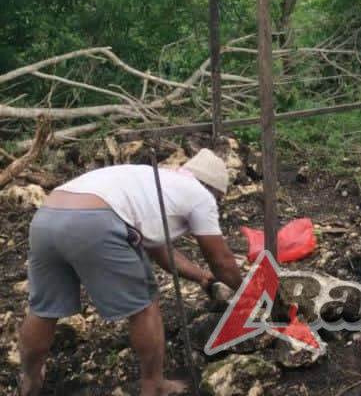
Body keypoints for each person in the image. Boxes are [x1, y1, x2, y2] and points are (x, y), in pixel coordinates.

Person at [18, 148, 244, 396]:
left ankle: (30, 380)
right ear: (212, 189)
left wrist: (201, 277)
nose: (217, 206)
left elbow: (164, 254)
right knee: (145, 306)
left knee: (43, 309)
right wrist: (248, 289)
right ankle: (155, 384)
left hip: (47, 217)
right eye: (219, 200)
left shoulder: (157, 183)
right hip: (94, 222)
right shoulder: (201, 196)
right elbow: (221, 262)